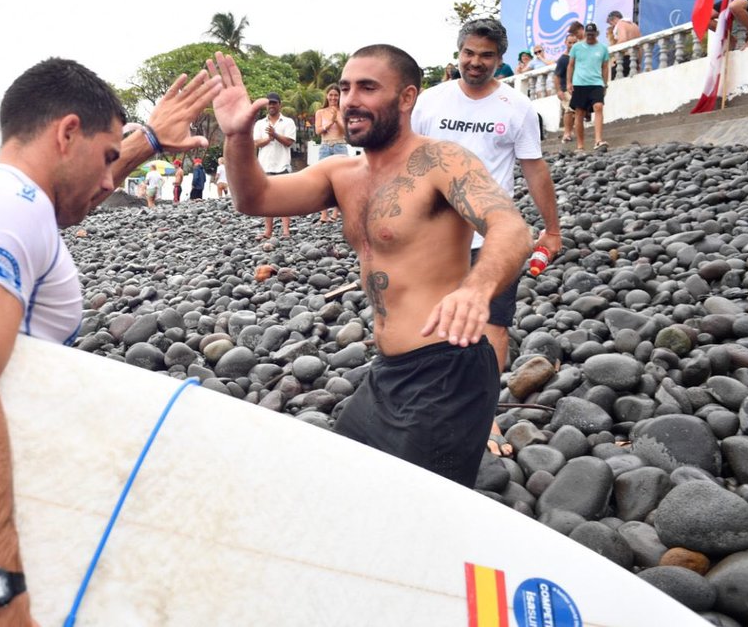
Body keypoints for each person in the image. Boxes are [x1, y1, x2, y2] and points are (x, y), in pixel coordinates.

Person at [0, 57, 221, 626]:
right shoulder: (5, 212)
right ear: (67, 133)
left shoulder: (11, 200)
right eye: (107, 157)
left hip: (0, 493)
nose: (110, 181)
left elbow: (75, 193)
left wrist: (146, 140)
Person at [208, 47, 531, 487]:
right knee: (346, 488)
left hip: (448, 370)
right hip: (388, 372)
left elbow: (511, 227)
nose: (350, 100)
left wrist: (477, 289)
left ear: (407, 97)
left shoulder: (442, 161)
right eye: (344, 88)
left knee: (415, 508)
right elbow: (254, 198)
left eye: (367, 88)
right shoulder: (340, 173)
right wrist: (236, 136)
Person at [411, 17, 563, 457]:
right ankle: (427, 401)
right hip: (433, 237)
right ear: (458, 52)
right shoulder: (429, 102)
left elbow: (534, 168)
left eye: (486, 56)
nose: (475, 62)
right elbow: (406, 161)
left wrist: (552, 229)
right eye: (469, 53)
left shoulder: (517, 108)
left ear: (500, 59)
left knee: (493, 326)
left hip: (494, 239)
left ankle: (484, 414)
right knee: (427, 322)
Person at [252, 92, 296, 240]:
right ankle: (268, 231)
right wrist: (269, 138)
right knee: (267, 200)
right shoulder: (260, 124)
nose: (271, 105)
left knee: (285, 199)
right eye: (269, 103)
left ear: (279, 104)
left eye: (274, 103)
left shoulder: (288, 122)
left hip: (282, 165)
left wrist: (275, 135)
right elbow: (256, 143)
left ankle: (286, 231)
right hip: (265, 166)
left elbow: (289, 142)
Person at [567, 22, 611, 150]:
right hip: (579, 83)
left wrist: (605, 84)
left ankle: (598, 140)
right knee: (579, 112)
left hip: (596, 83)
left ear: (596, 34)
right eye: (588, 34)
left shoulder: (603, 48)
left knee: (598, 107)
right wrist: (569, 82)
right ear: (585, 34)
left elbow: (605, 67)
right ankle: (580, 145)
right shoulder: (576, 47)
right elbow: (571, 65)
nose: (590, 36)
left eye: (592, 34)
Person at [314, 85, 347, 222]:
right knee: (323, 181)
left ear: (340, 97)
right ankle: (323, 214)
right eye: (331, 95)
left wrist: (336, 120)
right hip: (325, 146)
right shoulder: (320, 112)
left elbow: (345, 131)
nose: (333, 98)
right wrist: (329, 123)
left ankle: (335, 213)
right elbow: (318, 131)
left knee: (341, 180)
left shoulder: (344, 111)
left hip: (340, 145)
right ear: (327, 96)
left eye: (336, 95)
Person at [554, 34, 579, 143]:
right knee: (568, 110)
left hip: (578, 87)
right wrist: (559, 90)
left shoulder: (579, 56)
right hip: (566, 88)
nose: (572, 45)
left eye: (574, 42)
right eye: (570, 42)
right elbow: (556, 76)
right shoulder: (563, 59)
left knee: (577, 111)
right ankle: (567, 133)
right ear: (565, 43)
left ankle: (573, 132)